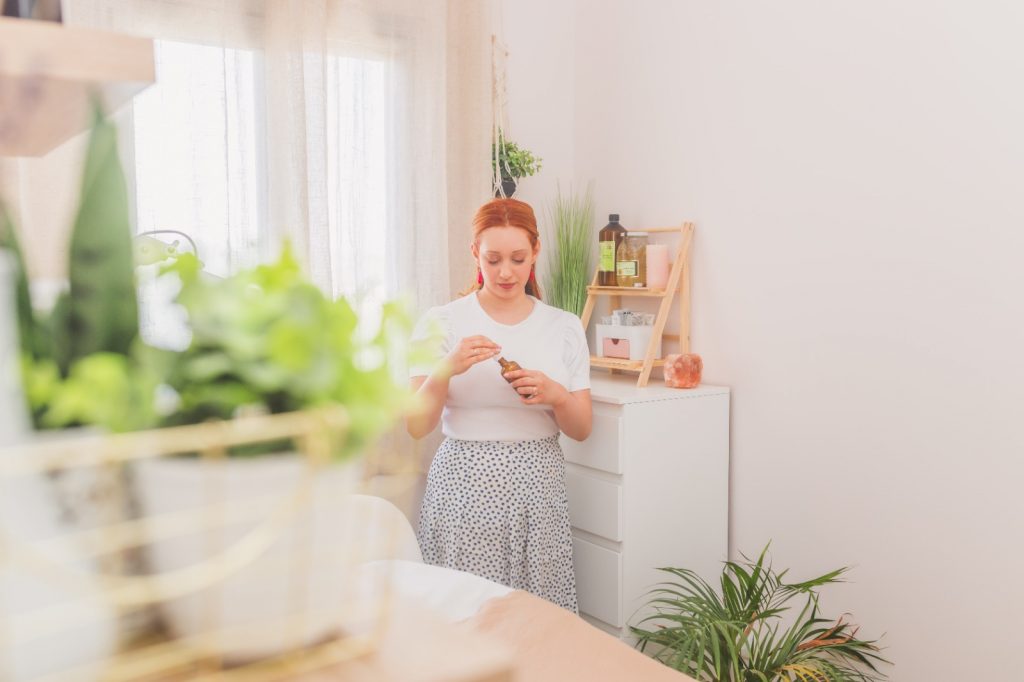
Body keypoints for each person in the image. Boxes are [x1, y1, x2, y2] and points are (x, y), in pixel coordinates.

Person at [406, 197, 593, 612]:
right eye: (492, 260)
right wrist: (445, 369)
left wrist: (556, 395)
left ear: (536, 252)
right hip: (464, 486)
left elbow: (581, 428)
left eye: (517, 258)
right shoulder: (442, 322)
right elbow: (417, 425)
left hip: (538, 486)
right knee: (466, 614)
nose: (506, 272)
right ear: (475, 253)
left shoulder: (563, 326)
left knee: (536, 616)